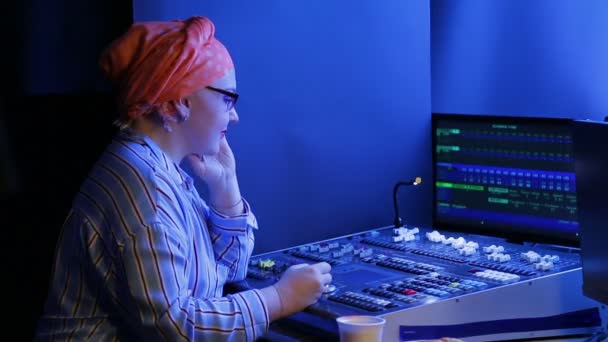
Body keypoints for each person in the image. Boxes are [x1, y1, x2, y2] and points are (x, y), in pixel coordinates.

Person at [35, 16, 332, 341]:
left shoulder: (157, 170)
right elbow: (175, 327)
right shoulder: (144, 194)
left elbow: (226, 273)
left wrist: (225, 188)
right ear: (178, 101)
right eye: (227, 99)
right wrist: (278, 299)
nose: (234, 115)